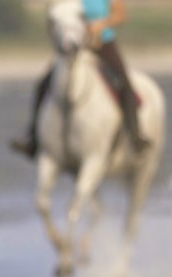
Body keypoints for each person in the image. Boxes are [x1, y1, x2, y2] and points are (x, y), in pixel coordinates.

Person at [10, 0, 149, 160]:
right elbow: (56, 15)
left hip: (102, 43)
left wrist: (101, 25)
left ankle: (135, 135)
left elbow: (120, 15)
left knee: (123, 83)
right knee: (43, 84)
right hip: (76, 44)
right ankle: (32, 138)